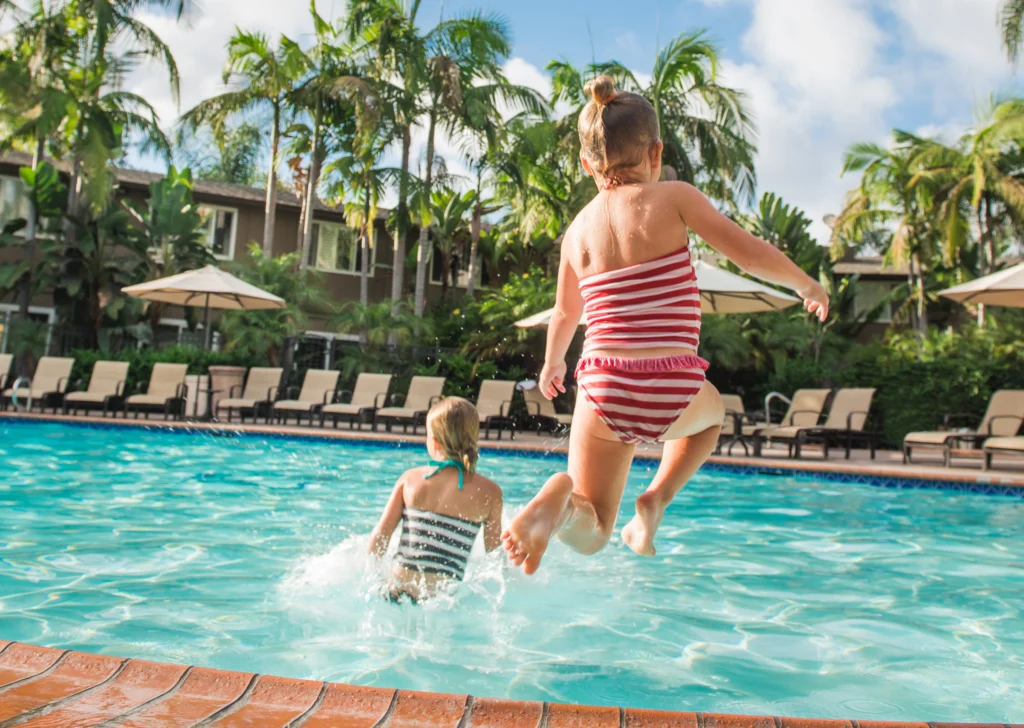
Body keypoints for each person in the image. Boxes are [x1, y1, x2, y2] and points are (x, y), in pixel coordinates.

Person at [502, 76, 829, 575]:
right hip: (669, 382)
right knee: (714, 415)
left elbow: (567, 314)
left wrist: (552, 363)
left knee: (594, 532)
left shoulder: (576, 232)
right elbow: (747, 252)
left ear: (588, 165)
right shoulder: (675, 197)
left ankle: (561, 500)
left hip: (602, 386)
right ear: (656, 153)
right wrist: (805, 283)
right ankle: (655, 500)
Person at [369, 397, 503, 602]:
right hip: (442, 598)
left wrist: (373, 576)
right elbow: (495, 556)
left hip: (397, 587)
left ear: (434, 442)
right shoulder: (490, 493)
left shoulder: (411, 480)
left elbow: (380, 535)